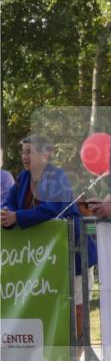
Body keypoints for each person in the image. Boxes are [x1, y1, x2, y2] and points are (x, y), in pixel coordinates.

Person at [2, 134, 98, 347]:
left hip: (74, 251)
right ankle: (47, 358)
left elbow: (55, 208)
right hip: (43, 258)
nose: (24, 157)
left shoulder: (58, 177)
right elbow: (9, 202)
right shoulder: (22, 179)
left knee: (78, 306)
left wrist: (18, 217)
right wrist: (6, 215)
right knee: (47, 304)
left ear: (45, 155)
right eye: (22, 152)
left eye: (29, 152)